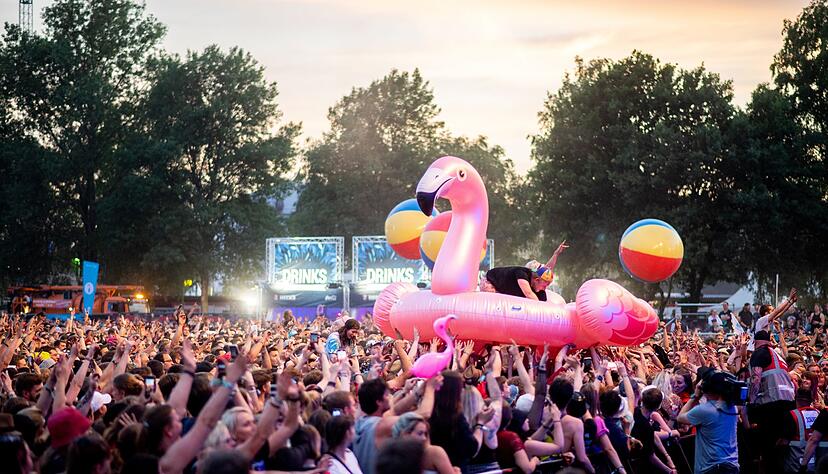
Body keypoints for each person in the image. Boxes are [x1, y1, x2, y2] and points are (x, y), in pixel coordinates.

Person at [750, 328, 797, 471]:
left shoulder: (759, 353)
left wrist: (751, 402)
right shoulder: (778, 355)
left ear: (755, 342)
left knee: (768, 449)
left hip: (771, 405)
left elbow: (756, 378)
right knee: (781, 448)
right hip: (789, 405)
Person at [677, 371, 740, 474]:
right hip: (731, 465)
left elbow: (680, 418)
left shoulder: (704, 410)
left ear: (704, 388)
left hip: (711, 468)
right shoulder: (732, 407)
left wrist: (695, 396)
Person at [480, 241, 567, 301]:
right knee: (493, 294)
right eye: (544, 286)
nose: (545, 288)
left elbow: (547, 271)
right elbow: (529, 293)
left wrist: (556, 254)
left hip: (509, 287)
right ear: (535, 279)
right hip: (491, 281)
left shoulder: (539, 286)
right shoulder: (522, 275)